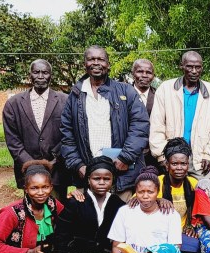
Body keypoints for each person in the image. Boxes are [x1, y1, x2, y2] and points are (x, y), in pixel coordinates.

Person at [61, 45, 150, 200]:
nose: (96, 63)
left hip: (121, 174)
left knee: (120, 213)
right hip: (88, 174)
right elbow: (66, 134)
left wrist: (125, 157)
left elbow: (140, 126)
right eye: (91, 59)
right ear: (84, 64)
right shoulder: (75, 95)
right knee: (90, 215)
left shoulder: (126, 91)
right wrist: (78, 165)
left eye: (101, 59)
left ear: (108, 64)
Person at [52, 156, 126, 253]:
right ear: (88, 180)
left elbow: (137, 210)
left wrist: (158, 201)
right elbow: (60, 239)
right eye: (96, 178)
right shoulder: (76, 202)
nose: (101, 182)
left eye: (107, 179)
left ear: (112, 180)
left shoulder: (117, 203)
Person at [108, 167, 183, 253]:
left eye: (150, 192)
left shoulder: (170, 214)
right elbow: (115, 246)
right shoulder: (125, 211)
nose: (145, 196)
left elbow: (175, 247)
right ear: (135, 192)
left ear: (158, 192)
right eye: (141, 192)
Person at [149, 51, 210, 177]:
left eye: (198, 67)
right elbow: (157, 125)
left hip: (200, 158)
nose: (194, 71)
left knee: (202, 189)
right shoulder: (165, 89)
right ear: (182, 66)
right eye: (190, 67)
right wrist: (161, 155)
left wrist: (209, 154)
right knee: (173, 190)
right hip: (172, 158)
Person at [3, 59, 70, 198]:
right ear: (29, 75)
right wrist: (31, 165)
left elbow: (70, 134)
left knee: (56, 208)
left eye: (45, 72)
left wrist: (54, 160)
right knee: (32, 209)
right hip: (27, 171)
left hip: (57, 171)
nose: (40, 76)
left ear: (51, 76)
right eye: (36, 72)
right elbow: (12, 140)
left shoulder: (65, 101)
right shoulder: (13, 104)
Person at [155, 138, 201, 253]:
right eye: (174, 164)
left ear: (188, 165)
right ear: (167, 165)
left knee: (194, 245)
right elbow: (136, 202)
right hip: (158, 232)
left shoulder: (193, 183)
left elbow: (200, 211)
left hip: (181, 233)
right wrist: (157, 200)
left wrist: (192, 227)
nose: (179, 168)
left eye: (183, 164)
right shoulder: (156, 182)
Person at [130, 58, 160, 168]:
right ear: (133, 74)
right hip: (128, 151)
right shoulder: (123, 94)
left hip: (153, 154)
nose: (144, 75)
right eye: (140, 71)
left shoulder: (159, 96)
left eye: (148, 72)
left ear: (153, 76)